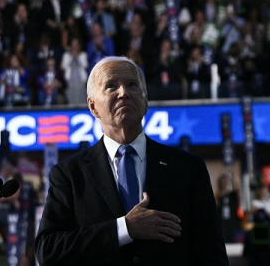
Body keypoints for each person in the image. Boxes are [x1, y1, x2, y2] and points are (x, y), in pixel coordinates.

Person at [35, 56, 228, 265]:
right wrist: (125, 228)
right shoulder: (69, 174)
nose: (123, 93)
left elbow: (212, 255)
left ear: (145, 102)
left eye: (132, 85)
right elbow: (48, 251)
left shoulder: (188, 169)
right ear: (93, 107)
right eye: (111, 86)